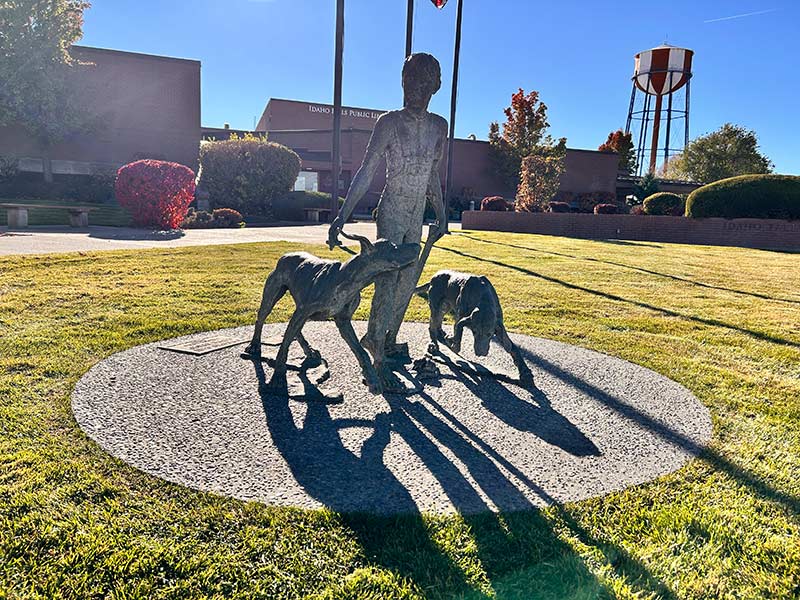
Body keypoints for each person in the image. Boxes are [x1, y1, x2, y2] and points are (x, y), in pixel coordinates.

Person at [327, 53, 447, 391]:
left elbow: (432, 176)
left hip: (417, 214)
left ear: (433, 87)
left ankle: (387, 337)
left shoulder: (439, 126)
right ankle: (376, 341)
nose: (414, 89)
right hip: (393, 208)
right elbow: (366, 171)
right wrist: (341, 216)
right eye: (409, 81)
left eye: (422, 83)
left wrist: (439, 213)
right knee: (388, 277)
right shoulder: (389, 123)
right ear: (402, 81)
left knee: (408, 280)